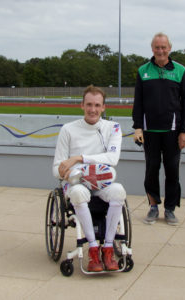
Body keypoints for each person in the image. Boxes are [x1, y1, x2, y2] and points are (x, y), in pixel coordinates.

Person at [53, 85, 126, 272]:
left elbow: (112, 159)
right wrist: (67, 174)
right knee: (77, 192)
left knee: (119, 191)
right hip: (77, 183)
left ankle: (108, 248)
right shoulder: (68, 130)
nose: (92, 109)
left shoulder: (114, 128)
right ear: (82, 106)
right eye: (89, 105)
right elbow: (57, 168)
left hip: (103, 183)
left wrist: (79, 158)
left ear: (104, 107)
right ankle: (93, 250)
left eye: (97, 105)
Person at [132, 32, 185, 226]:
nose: (160, 50)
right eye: (157, 47)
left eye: (164, 47)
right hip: (149, 132)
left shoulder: (181, 71)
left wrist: (184, 131)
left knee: (172, 171)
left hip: (173, 132)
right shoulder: (143, 71)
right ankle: (153, 206)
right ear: (152, 49)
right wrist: (138, 127)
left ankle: (170, 209)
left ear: (169, 48)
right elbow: (138, 103)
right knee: (151, 170)